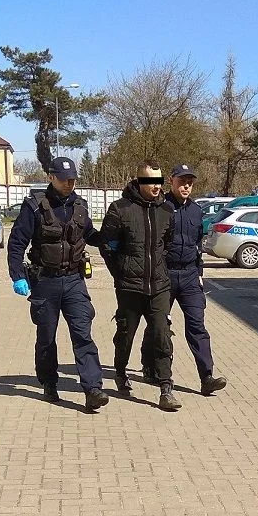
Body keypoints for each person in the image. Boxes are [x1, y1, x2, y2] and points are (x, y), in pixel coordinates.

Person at [7, 157, 108, 411]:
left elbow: (89, 234)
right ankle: (49, 382)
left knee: (83, 334)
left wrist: (110, 238)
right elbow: (17, 243)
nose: (69, 184)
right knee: (46, 337)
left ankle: (93, 389)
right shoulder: (34, 207)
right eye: (64, 180)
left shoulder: (80, 206)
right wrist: (17, 275)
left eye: (72, 179)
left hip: (74, 280)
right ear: (51, 177)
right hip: (45, 281)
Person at [100, 160, 181, 411]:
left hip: (159, 286)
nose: (156, 186)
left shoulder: (167, 210)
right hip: (129, 287)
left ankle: (166, 387)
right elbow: (107, 246)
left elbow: (166, 245)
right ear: (138, 181)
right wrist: (121, 273)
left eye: (158, 181)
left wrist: (159, 269)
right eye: (150, 181)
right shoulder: (120, 209)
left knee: (161, 334)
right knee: (126, 335)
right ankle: (120, 371)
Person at [139, 164, 227, 396]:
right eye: (182, 181)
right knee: (158, 325)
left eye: (190, 182)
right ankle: (150, 364)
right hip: (164, 275)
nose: (186, 186)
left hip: (189, 277)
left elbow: (198, 245)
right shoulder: (160, 207)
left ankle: (206, 376)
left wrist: (199, 273)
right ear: (171, 181)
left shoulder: (196, 211)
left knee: (197, 326)